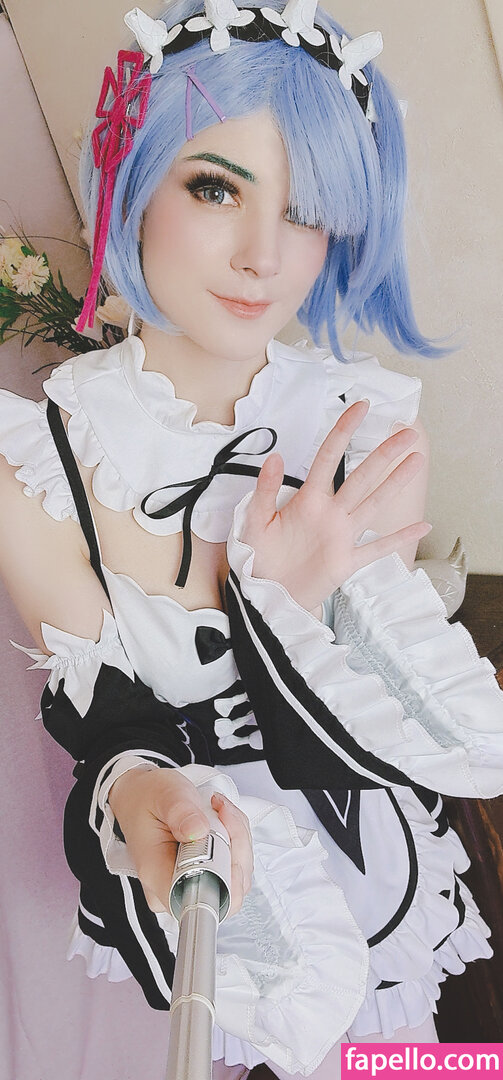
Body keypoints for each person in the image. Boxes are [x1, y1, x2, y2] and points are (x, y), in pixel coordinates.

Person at [1, 1, 502, 1076]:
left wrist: (291, 608)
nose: (263, 256)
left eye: (306, 209)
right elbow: (108, 729)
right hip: (215, 908)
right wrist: (144, 795)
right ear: (131, 181)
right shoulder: (40, 461)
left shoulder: (359, 423)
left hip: (370, 869)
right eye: (215, 188)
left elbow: (388, 731)